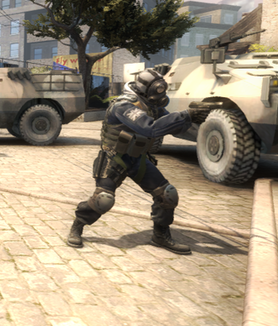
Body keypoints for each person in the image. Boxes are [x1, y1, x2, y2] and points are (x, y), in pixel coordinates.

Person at [68, 67, 205, 255]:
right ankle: (78, 225)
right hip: (114, 158)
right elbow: (150, 128)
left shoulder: (151, 105)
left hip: (137, 159)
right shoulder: (124, 105)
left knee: (167, 195)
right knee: (103, 200)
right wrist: (186, 115)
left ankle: (160, 235)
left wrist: (194, 118)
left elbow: (170, 125)